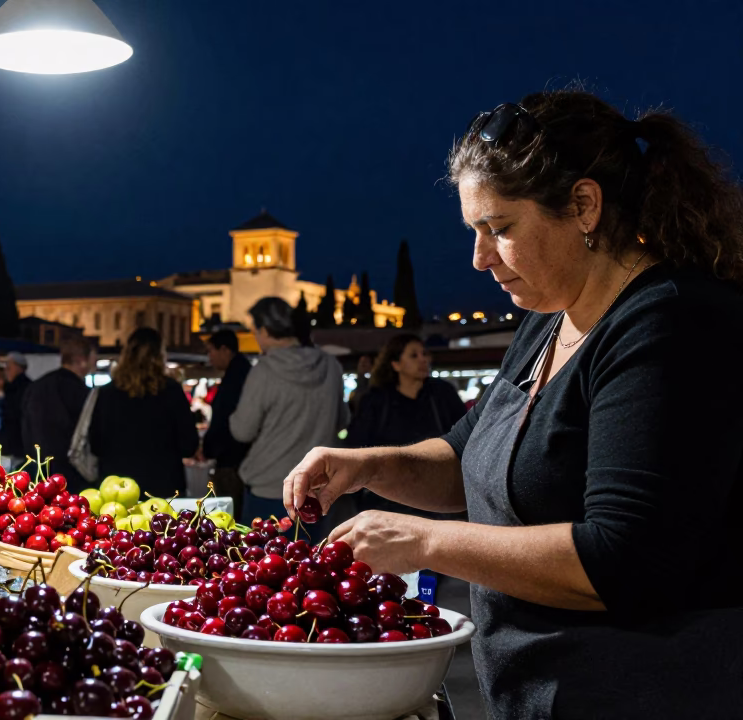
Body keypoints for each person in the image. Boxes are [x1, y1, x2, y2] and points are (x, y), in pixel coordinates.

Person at [284, 91, 743, 717]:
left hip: (643, 692)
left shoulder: (671, 324)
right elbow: (469, 458)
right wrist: (367, 466)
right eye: (475, 232)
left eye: (500, 229)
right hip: (535, 692)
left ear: (584, 206)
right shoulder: (548, 317)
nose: (479, 259)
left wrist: (424, 542)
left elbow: (625, 560)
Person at [231, 297, 348, 529]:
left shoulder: (264, 370)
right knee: (315, 561)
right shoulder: (330, 365)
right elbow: (342, 420)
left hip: (269, 486)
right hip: (318, 486)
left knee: (262, 562)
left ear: (264, 330)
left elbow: (242, 430)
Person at [88, 328, 199, 499]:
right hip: (164, 489)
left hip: (117, 491)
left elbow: (95, 444)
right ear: (160, 356)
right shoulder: (172, 391)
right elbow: (189, 445)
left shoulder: (107, 393)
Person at [346, 334, 467, 450]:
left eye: (424, 354)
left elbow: (464, 434)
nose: (423, 360)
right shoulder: (377, 400)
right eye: (414, 355)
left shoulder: (443, 393)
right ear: (396, 365)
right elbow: (356, 444)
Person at [22, 336, 95, 491]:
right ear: (81, 360)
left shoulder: (36, 386)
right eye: (92, 358)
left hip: (37, 473)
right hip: (71, 478)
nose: (93, 363)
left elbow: (24, 426)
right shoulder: (83, 393)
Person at [200, 329, 251, 518]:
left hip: (233, 460)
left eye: (210, 351)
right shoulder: (239, 373)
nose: (208, 357)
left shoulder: (237, 377)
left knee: (227, 517)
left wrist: (209, 448)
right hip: (235, 458)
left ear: (225, 350)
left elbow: (225, 420)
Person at [0, 352, 31, 459]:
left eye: (9, 367)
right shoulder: (10, 387)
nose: (6, 370)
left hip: (15, 445)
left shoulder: (20, 388)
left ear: (19, 368)